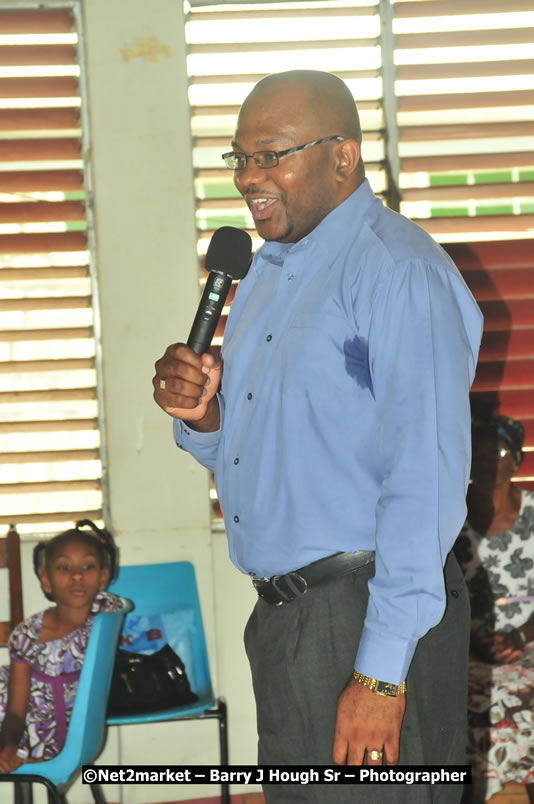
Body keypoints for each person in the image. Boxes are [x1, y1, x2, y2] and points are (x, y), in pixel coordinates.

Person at [153, 70, 483, 802]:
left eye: (273, 155)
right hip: (288, 619)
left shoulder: (395, 271)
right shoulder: (269, 270)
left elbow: (424, 477)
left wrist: (379, 672)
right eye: (239, 158)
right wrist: (204, 417)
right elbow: (263, 447)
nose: (249, 178)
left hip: (368, 613)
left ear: (344, 157)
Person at [455, 410, 534, 803]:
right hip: (461, 643)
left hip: (527, 643)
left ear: (517, 460)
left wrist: (520, 635)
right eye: (480, 454)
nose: (488, 462)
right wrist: (467, 640)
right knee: (460, 699)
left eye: (498, 453)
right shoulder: (449, 516)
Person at [0, 519, 123, 771]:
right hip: (18, 733)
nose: (77, 574)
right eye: (64, 567)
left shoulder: (107, 614)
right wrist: (8, 745)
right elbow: (14, 711)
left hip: (62, 741)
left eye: (87, 566)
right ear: (45, 580)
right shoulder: (27, 636)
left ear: (103, 577)